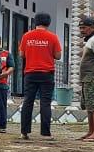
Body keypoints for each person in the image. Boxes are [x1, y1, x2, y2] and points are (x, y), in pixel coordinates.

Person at [19, 12, 63, 140]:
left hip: (30, 73)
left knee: (28, 101)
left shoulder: (26, 36)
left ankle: (24, 132)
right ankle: (45, 133)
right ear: (48, 23)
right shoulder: (53, 37)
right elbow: (58, 56)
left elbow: (21, 54)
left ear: (35, 22)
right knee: (45, 103)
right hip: (46, 73)